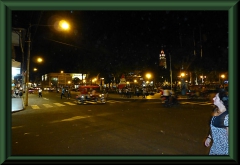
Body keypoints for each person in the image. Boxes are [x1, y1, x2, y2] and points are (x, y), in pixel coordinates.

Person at [204, 89, 229, 155]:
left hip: (224, 150)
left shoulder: (227, 117)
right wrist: (209, 137)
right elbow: (213, 126)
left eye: (216, 97)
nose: (213, 98)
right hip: (215, 147)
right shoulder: (216, 110)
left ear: (221, 101)